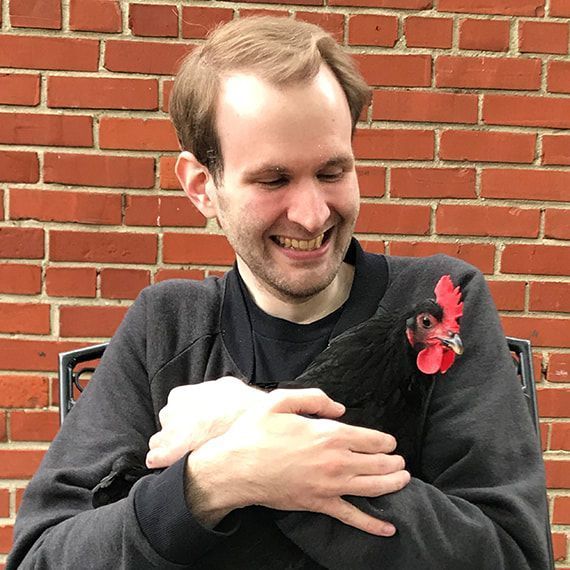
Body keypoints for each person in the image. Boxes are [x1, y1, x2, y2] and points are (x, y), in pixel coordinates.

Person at [8, 17, 549, 569]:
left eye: (332, 172)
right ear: (203, 187)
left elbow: (513, 555)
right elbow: (41, 557)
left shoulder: (435, 298)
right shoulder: (166, 326)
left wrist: (262, 432)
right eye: (273, 180)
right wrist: (211, 480)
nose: (312, 215)